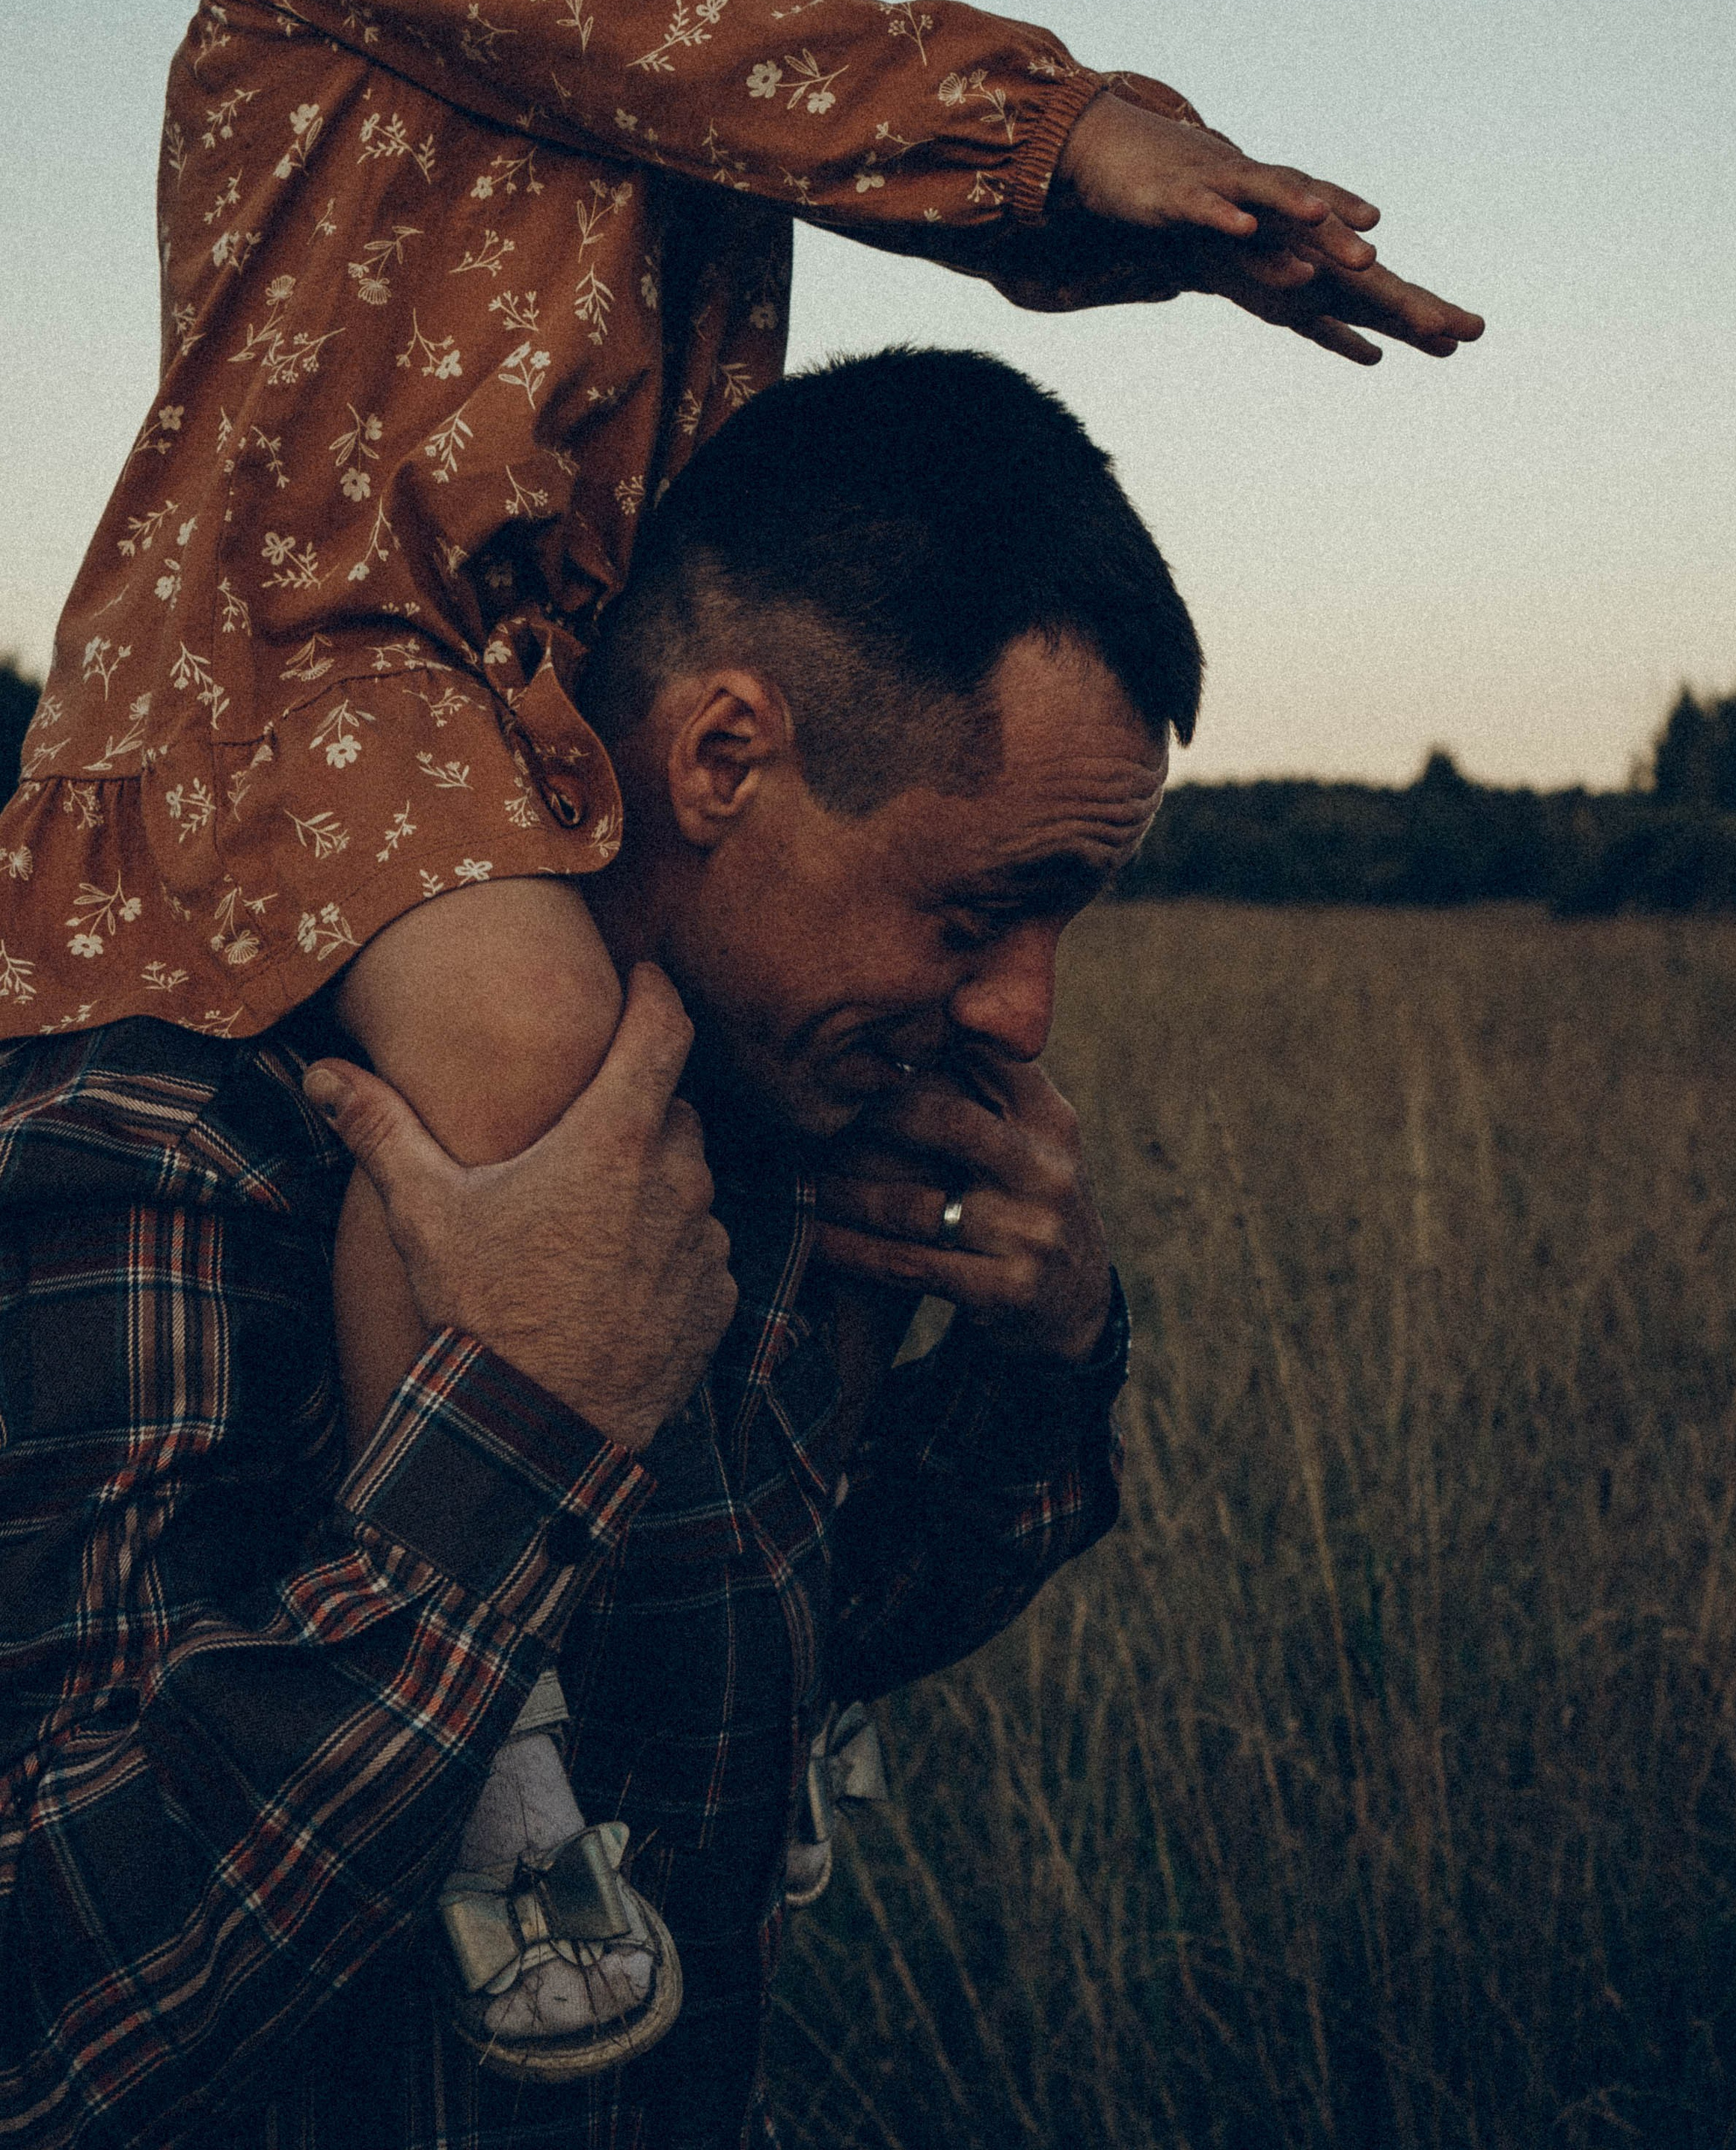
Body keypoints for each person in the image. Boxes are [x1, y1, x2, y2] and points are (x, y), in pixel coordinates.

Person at [0, 0, 1481, 2092]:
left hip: (495, 705)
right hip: (318, 653)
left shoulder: (622, 12)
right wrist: (1069, 135)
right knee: (558, 1066)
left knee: (674, 1164)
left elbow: (740, 73)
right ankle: (505, 1797)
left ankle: (689, 1773)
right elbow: (741, 42)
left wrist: (1037, 1359)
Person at [3, 347, 1191, 2148]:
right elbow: (55, 2004)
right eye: (977, 911)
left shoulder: (774, 1133)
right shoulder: (177, 1144)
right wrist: (511, 1447)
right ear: (724, 756)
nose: (1021, 1016)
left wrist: (1048, 1355)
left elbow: (776, 1658)